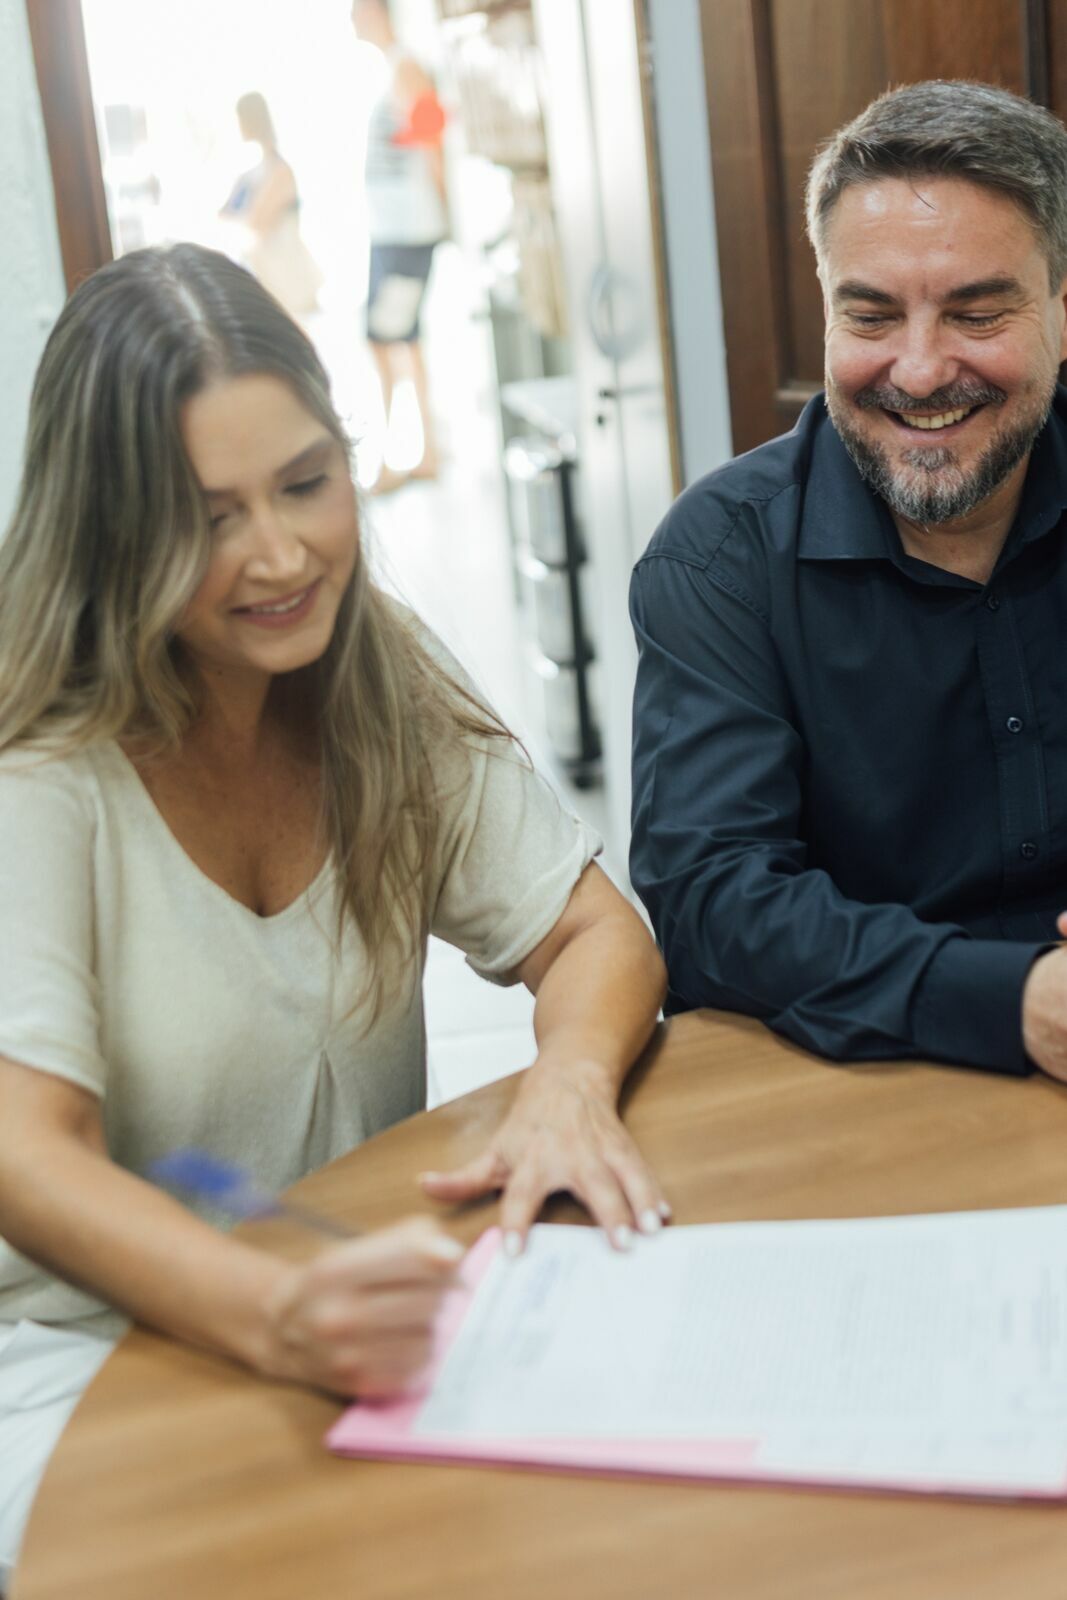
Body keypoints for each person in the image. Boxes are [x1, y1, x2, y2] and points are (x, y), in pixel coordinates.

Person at [0, 243, 668, 1588]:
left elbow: (596, 934)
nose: (283, 552)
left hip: (335, 1320)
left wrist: (566, 1085)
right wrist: (270, 1316)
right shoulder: (42, 770)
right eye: (210, 517)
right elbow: (26, 1151)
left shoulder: (376, 676)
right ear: (114, 535)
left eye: (307, 482)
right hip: (79, 1363)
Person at [631, 80, 1067, 1083]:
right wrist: (1011, 1000)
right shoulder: (718, 556)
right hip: (845, 1089)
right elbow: (711, 903)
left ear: (1056, 308)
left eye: (974, 311)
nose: (916, 371)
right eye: (868, 316)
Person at [351, 0, 448, 489]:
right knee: (401, 337)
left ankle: (399, 456)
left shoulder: (405, 67)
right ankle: (421, 450)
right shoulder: (392, 68)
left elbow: (433, 140)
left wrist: (445, 210)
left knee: (387, 335)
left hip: (408, 230)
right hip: (394, 229)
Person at [219, 90, 322, 322]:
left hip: (286, 272)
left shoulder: (279, 170)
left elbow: (259, 221)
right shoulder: (255, 171)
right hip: (268, 271)